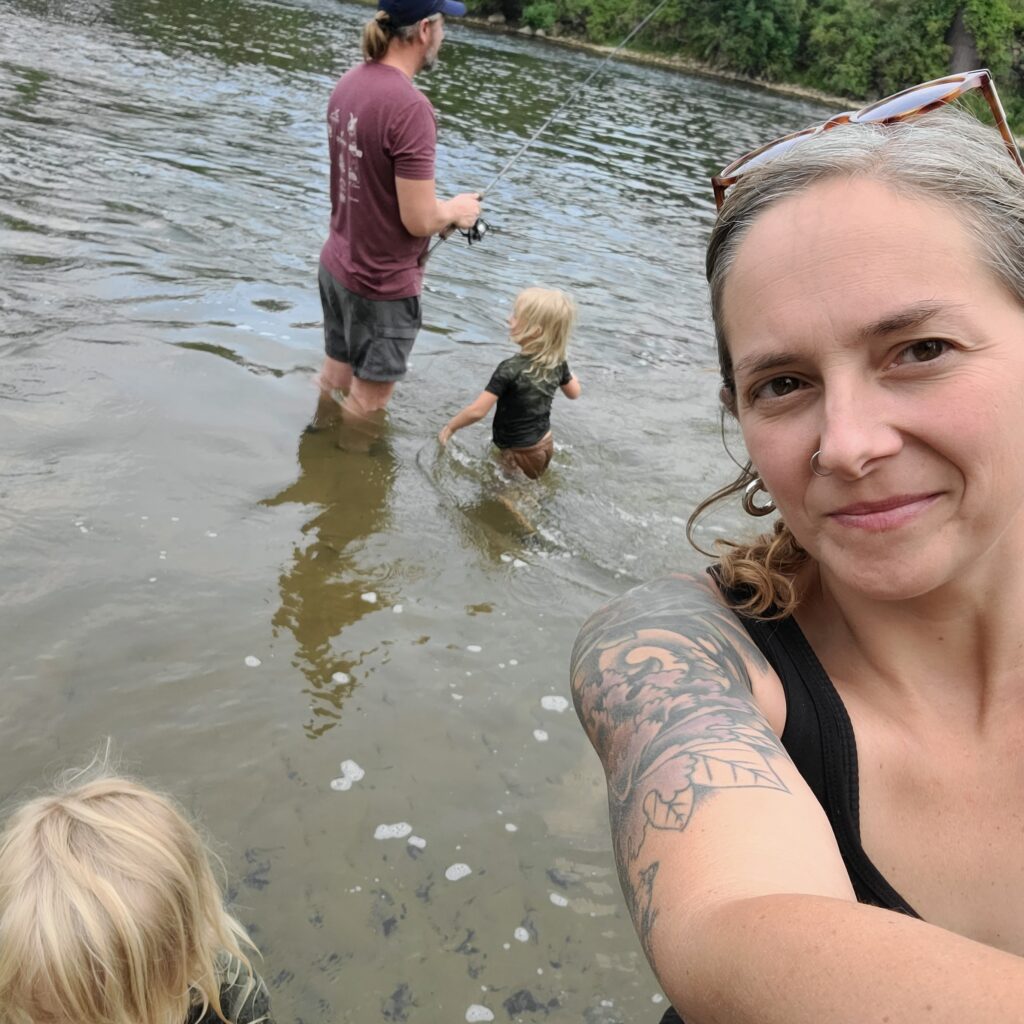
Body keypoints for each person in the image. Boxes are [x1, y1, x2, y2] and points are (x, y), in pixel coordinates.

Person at [570, 70, 1024, 1024]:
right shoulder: (674, 651)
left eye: (920, 350)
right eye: (783, 384)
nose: (847, 445)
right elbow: (729, 927)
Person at [315, 0, 482, 437]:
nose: (443, 35)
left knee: (334, 377)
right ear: (424, 29)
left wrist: (438, 212)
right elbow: (418, 219)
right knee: (367, 404)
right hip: (380, 287)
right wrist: (456, 210)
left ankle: (316, 448)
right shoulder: (411, 108)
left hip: (337, 266)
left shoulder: (349, 82)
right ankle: (345, 476)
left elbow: (376, 188)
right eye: (442, 24)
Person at [0, 766, 274, 1024]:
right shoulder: (14, 993)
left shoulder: (234, 1001)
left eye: (105, 1017)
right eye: (49, 1019)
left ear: (185, 962)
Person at [438, 286, 581, 479]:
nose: (509, 319)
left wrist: (450, 427)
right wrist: (571, 374)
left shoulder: (509, 369)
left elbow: (477, 411)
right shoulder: (557, 363)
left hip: (517, 452)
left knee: (501, 490)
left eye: (515, 316)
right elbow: (574, 393)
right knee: (530, 485)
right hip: (545, 443)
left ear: (535, 331)